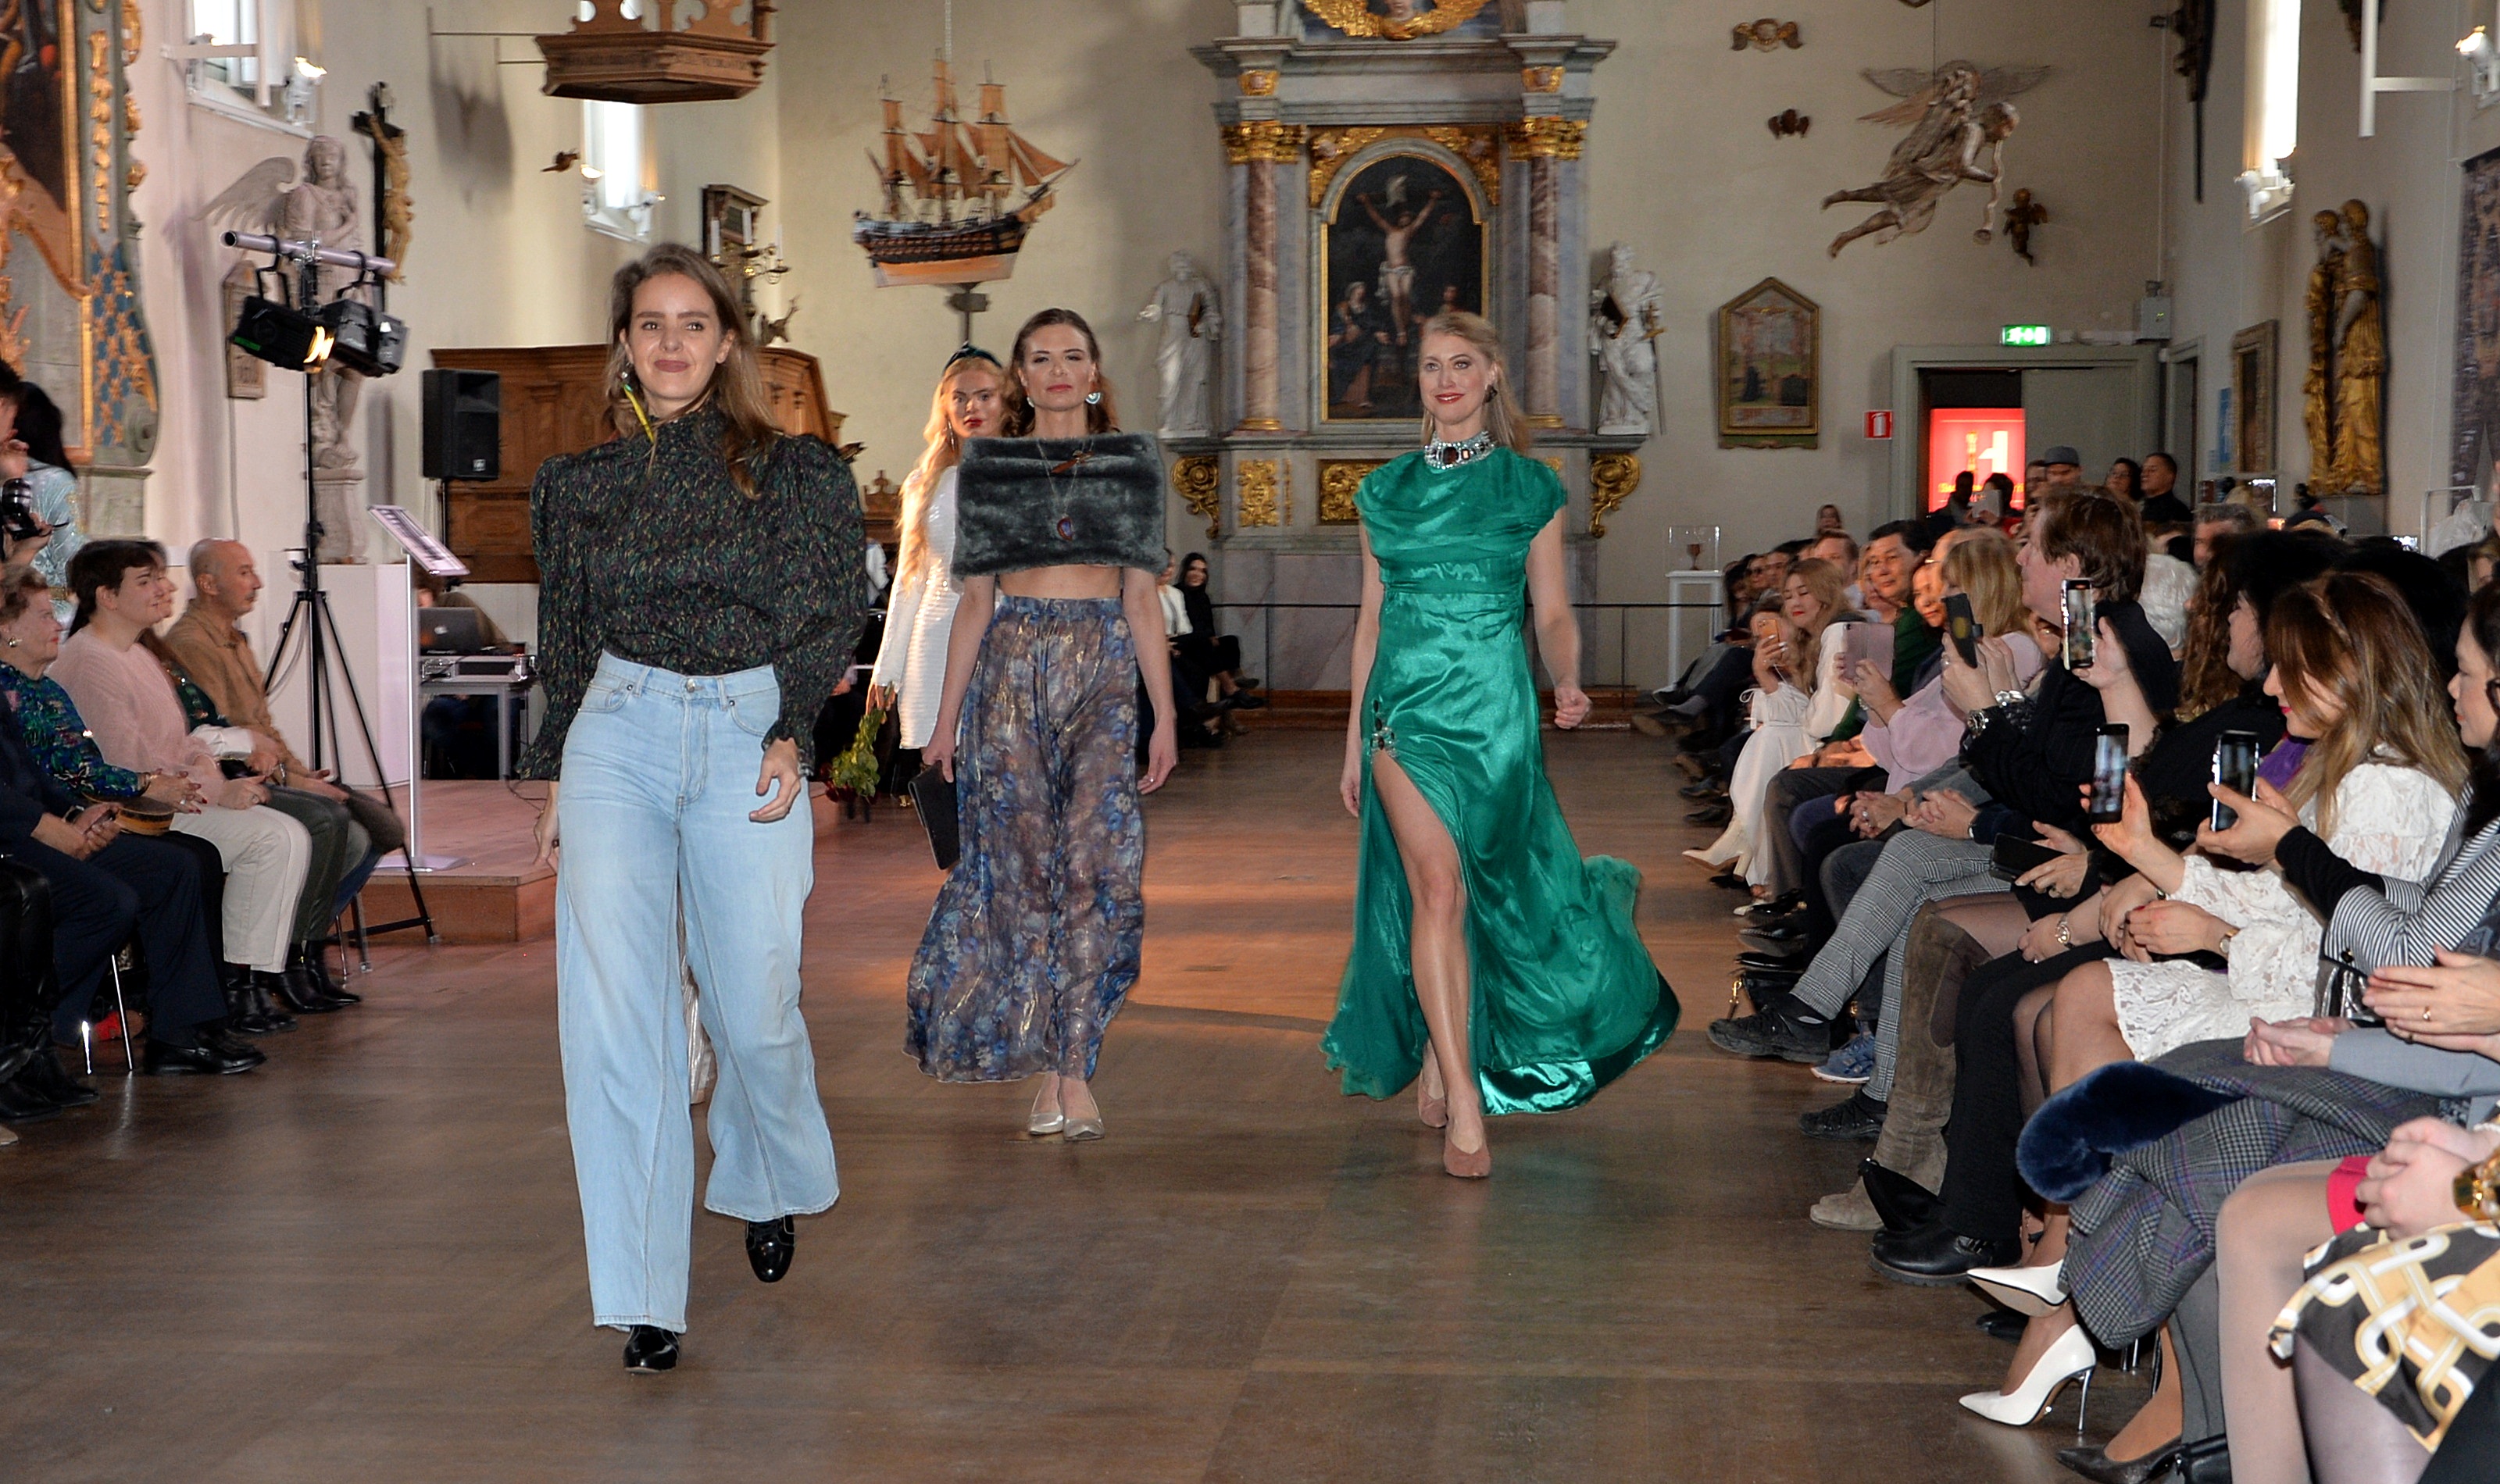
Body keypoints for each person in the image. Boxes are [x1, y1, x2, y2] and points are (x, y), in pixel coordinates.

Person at [523, 243, 869, 1375]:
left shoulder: (796, 471)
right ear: (624, 345)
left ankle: (762, 1173)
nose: (670, 342)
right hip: (615, 734)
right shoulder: (577, 485)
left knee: (753, 1002)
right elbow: (567, 637)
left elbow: (828, 606)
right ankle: (643, 1294)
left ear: (726, 345)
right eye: (649, 324)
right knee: (616, 1020)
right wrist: (555, 775)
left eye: (692, 323)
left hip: (745, 730)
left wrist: (794, 728)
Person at [1321, 309, 1677, 1179]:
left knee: (1488, 889)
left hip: (1494, 715)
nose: (1444, 380)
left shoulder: (1530, 488)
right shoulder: (1383, 493)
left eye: (1461, 364)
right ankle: (1467, 1099)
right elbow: (1369, 622)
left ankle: (1443, 1050)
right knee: (1438, 889)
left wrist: (1566, 676)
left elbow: (1550, 611)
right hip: (1403, 715)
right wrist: (1352, 738)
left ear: (1490, 377)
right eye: (1430, 365)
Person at [905, 307, 1180, 1143]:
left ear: (1093, 372)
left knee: (1097, 870)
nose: (1058, 370)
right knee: (1021, 874)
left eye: (1072, 356)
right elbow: (973, 603)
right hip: (1010, 672)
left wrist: (1165, 715)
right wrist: (943, 725)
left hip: (1103, 672)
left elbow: (1142, 599)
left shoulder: (1132, 465)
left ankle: (1073, 1067)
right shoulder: (989, 470)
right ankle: (1041, 1052)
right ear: (1021, 378)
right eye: (1040, 358)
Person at [0, 573, 257, 1086]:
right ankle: (32, 1032)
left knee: (181, 865)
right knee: (116, 895)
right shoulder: (11, 690)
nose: (58, 624)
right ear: (8, 630)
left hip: (59, 820)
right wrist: (137, 787)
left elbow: (47, 779)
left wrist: (78, 817)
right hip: (20, 837)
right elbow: (58, 776)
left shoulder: (45, 688)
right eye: (45, 615)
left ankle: (183, 1031)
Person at [50, 541, 320, 1016]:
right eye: (147, 581)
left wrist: (211, 775)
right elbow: (128, 760)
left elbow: (184, 738)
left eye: (160, 577)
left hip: (177, 793)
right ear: (108, 597)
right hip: (137, 809)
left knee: (287, 834)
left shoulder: (137, 653)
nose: (165, 588)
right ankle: (234, 985)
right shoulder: (90, 660)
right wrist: (217, 789)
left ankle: (246, 979)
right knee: (272, 838)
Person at [162, 539, 403, 942]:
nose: (257, 582)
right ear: (208, 584)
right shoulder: (192, 644)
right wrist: (293, 781)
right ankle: (297, 946)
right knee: (349, 834)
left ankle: (301, 933)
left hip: (272, 772)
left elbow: (264, 726)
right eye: (244, 573)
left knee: (384, 829)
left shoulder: (234, 639)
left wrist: (300, 771)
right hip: (236, 780)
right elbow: (226, 739)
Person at [1684, 559, 1854, 888]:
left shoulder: (1838, 631)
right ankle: (1748, 850)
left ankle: (1746, 846)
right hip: (1829, 735)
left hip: (1846, 742)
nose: (1795, 603)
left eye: (1804, 592)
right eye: (1788, 596)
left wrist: (1775, 679)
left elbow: (1827, 718)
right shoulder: (1817, 639)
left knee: (1772, 736)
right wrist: (1767, 673)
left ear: (1825, 593)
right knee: (1769, 735)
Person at [871, 345, 1001, 762]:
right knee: (942, 769)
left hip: (1003, 630)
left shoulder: (1022, 475)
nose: (971, 407)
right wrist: (887, 667)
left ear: (1005, 402)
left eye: (984, 396)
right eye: (959, 398)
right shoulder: (924, 482)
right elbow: (910, 580)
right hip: (935, 636)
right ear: (944, 407)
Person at [1175, 553, 1259, 709]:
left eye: (1202, 571)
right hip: (1183, 639)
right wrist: (1207, 637)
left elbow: (1208, 622)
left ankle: (1236, 677)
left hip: (1200, 639)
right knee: (1204, 642)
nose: (1198, 574)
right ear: (1185, 571)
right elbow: (1186, 625)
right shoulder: (1177, 592)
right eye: (1193, 569)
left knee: (1230, 641)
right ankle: (1231, 688)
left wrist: (1212, 636)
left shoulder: (1203, 597)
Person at [2139, 451, 2192, 524]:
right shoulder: (2139, 507)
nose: (2144, 474)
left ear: (2170, 476)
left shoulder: (2177, 511)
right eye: (2143, 470)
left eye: (2152, 470)